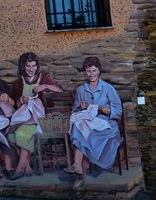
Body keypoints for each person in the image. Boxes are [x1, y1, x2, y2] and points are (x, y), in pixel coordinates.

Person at [64, 56, 122, 189]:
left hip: (106, 126)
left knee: (84, 135)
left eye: (94, 71)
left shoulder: (108, 88)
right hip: (88, 123)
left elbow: (118, 111)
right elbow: (75, 111)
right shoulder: (80, 90)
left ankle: (80, 174)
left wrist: (103, 109)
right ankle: (78, 168)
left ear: (99, 71)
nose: (91, 74)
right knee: (79, 129)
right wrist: (80, 107)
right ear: (85, 72)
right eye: (88, 71)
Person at [8, 51, 64, 178]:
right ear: (23, 67)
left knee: (22, 133)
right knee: (10, 136)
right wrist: (21, 101)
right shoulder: (18, 83)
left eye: (33, 66)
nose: (31, 69)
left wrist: (44, 86)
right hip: (24, 118)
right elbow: (16, 105)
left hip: (40, 119)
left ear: (37, 66)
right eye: (28, 66)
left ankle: (19, 169)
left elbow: (59, 89)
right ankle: (27, 166)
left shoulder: (43, 77)